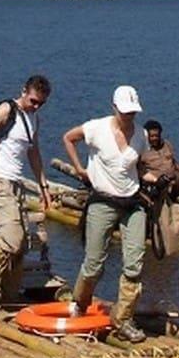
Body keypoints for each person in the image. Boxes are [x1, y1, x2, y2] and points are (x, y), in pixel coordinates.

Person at [62, 85, 157, 343]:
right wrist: (80, 168)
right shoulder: (96, 128)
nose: (129, 117)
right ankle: (80, 303)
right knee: (94, 263)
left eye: (133, 113)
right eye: (125, 112)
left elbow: (134, 166)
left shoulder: (141, 135)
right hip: (102, 200)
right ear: (114, 108)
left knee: (135, 264)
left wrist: (154, 179)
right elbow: (68, 138)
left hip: (132, 202)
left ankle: (123, 318)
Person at [0, 74, 54, 302]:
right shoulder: (7, 110)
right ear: (24, 91)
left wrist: (43, 185)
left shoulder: (34, 118)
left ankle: (9, 294)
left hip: (16, 183)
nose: (36, 106)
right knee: (12, 240)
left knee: (22, 244)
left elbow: (33, 152)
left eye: (41, 104)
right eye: (33, 101)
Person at [137, 120, 179, 221]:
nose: (155, 138)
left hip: (174, 181)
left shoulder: (166, 144)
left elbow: (174, 163)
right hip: (159, 185)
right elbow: (140, 173)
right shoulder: (141, 150)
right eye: (152, 136)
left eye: (157, 136)